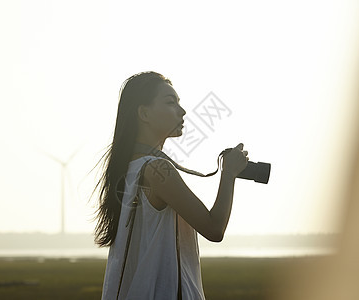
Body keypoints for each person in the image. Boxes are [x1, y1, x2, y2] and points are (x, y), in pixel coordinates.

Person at [92, 71, 248, 299]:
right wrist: (229, 174)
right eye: (170, 102)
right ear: (144, 113)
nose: (182, 111)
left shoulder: (127, 168)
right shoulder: (158, 171)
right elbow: (214, 229)